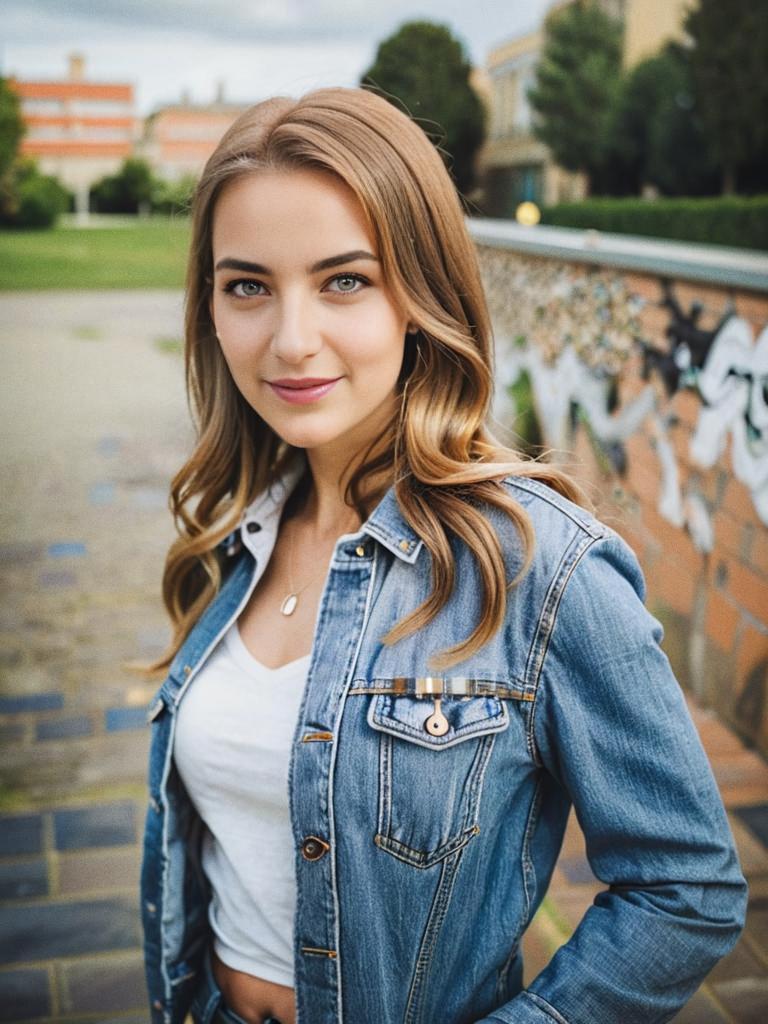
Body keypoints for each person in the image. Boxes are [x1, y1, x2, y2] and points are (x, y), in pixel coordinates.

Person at [140, 87, 746, 1024]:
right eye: (247, 285)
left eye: (345, 280)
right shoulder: (239, 532)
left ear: (420, 297)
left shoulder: (541, 567)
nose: (291, 339)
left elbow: (687, 888)